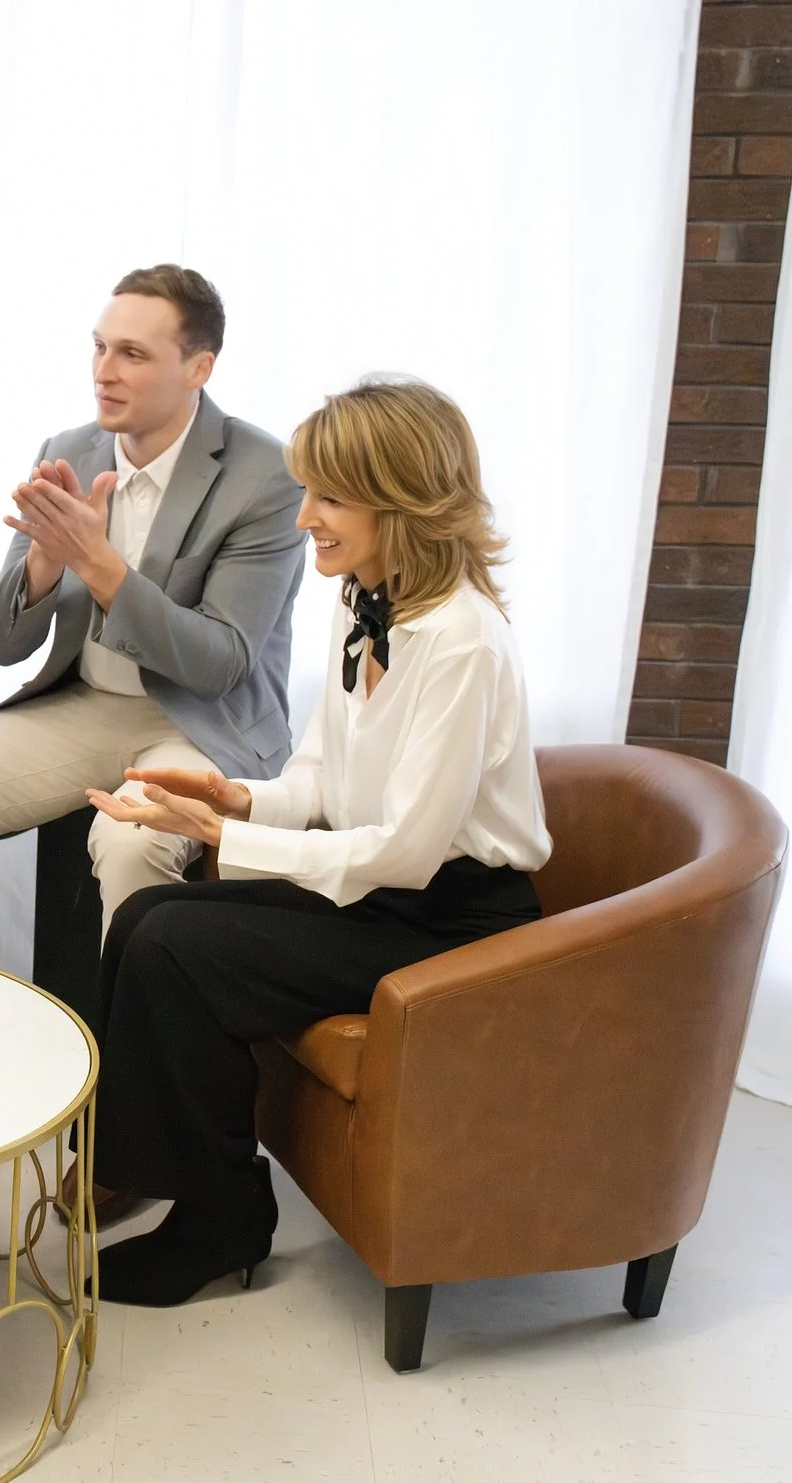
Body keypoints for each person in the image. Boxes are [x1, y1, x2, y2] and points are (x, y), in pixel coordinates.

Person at [80, 376, 552, 1306]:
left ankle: (216, 1221)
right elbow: (324, 779)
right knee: (148, 918)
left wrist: (224, 836)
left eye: (327, 497)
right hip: (384, 892)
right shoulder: (365, 599)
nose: (304, 520)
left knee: (176, 944)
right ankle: (201, 1197)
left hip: (453, 921)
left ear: (400, 500)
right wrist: (231, 798)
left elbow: (406, 853)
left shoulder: (463, 641)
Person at [0, 265, 307, 965]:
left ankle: (124, 1065)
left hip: (200, 724)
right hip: (86, 706)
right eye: (99, 347)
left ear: (199, 367)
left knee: (129, 841)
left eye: (132, 354)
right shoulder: (67, 450)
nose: (104, 371)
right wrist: (46, 563)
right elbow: (2, 644)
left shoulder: (268, 475)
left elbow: (221, 663)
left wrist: (99, 563)